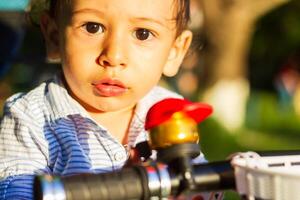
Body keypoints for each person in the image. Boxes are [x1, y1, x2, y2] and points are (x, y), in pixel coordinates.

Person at [0, 0, 221, 199]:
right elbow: (17, 192)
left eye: (143, 33)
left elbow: (196, 184)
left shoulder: (169, 113)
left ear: (174, 51)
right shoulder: (30, 117)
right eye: (92, 27)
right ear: (54, 36)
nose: (114, 56)